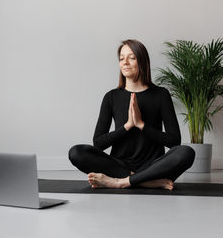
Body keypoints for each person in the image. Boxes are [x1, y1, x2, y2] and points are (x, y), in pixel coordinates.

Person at [68, 39, 195, 190]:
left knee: (186, 152)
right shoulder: (111, 97)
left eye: (131, 58)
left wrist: (141, 125)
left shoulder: (161, 94)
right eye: (122, 58)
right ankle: (145, 181)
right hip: (120, 165)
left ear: (142, 61)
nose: (125, 62)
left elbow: (174, 141)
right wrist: (127, 126)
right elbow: (98, 143)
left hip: (153, 166)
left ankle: (120, 182)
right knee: (76, 152)